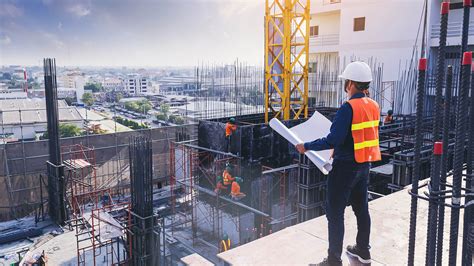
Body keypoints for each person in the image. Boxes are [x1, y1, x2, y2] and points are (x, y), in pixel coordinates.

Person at [295, 61, 381, 265]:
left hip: (344, 168)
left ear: (350, 83)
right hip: (364, 164)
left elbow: (333, 139)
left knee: (335, 213)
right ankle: (363, 250)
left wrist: (306, 145)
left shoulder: (347, 108)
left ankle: (334, 260)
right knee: (362, 209)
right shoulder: (374, 105)